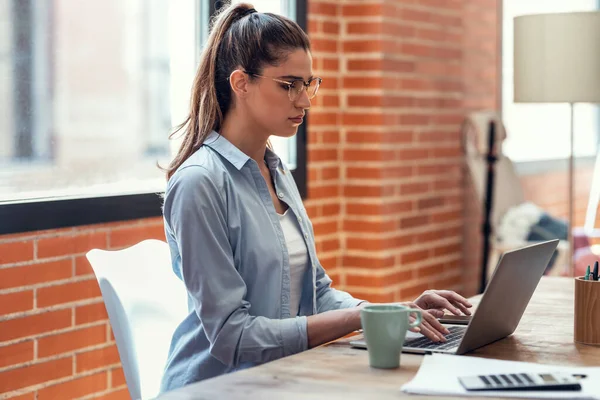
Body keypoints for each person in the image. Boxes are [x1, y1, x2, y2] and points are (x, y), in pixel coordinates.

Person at [160, 2, 472, 393]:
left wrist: (389, 311)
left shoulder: (275, 171)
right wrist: (360, 320)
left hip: (284, 378)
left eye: (309, 84)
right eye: (289, 85)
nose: (305, 101)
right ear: (241, 84)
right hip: (220, 388)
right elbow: (233, 338)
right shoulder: (199, 184)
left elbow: (317, 292)